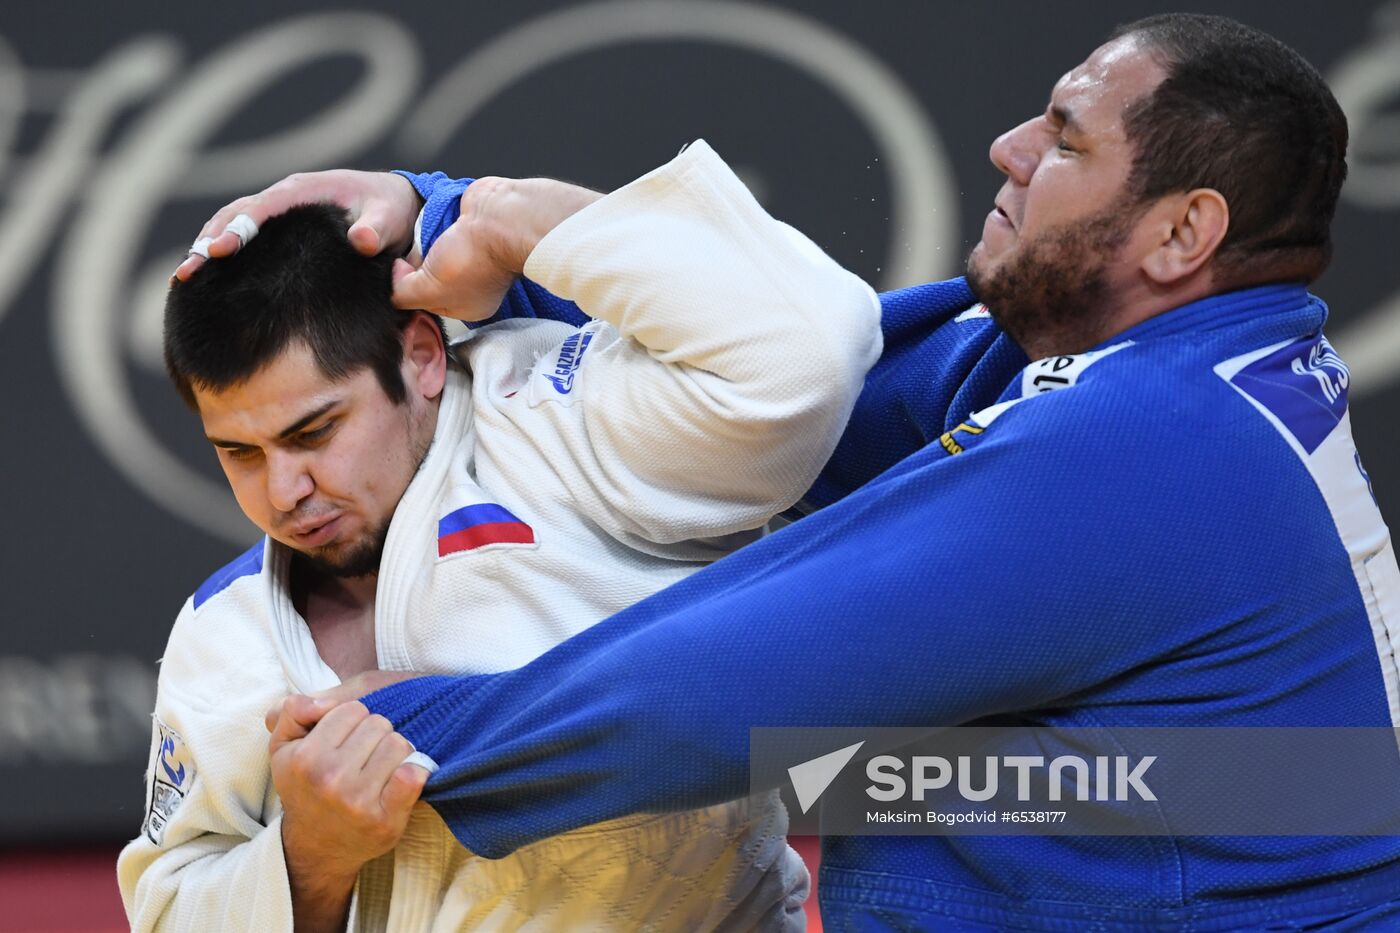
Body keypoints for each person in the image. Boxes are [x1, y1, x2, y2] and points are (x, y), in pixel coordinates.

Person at [186, 13, 1400, 929]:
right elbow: (782, 367)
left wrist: (385, 740)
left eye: (1066, 137)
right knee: (890, 772)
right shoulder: (1178, 377)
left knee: (813, 754)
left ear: (1181, 233)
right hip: (1219, 843)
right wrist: (458, 218)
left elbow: (686, 705)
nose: (1009, 144)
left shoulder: (1147, 447)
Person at [118, 142, 883, 930]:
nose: (284, 491)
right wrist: (310, 856)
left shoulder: (556, 424)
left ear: (419, 356)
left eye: (314, 431)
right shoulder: (224, 635)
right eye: (240, 453)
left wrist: (485, 214)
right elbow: (170, 908)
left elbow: (808, 351)